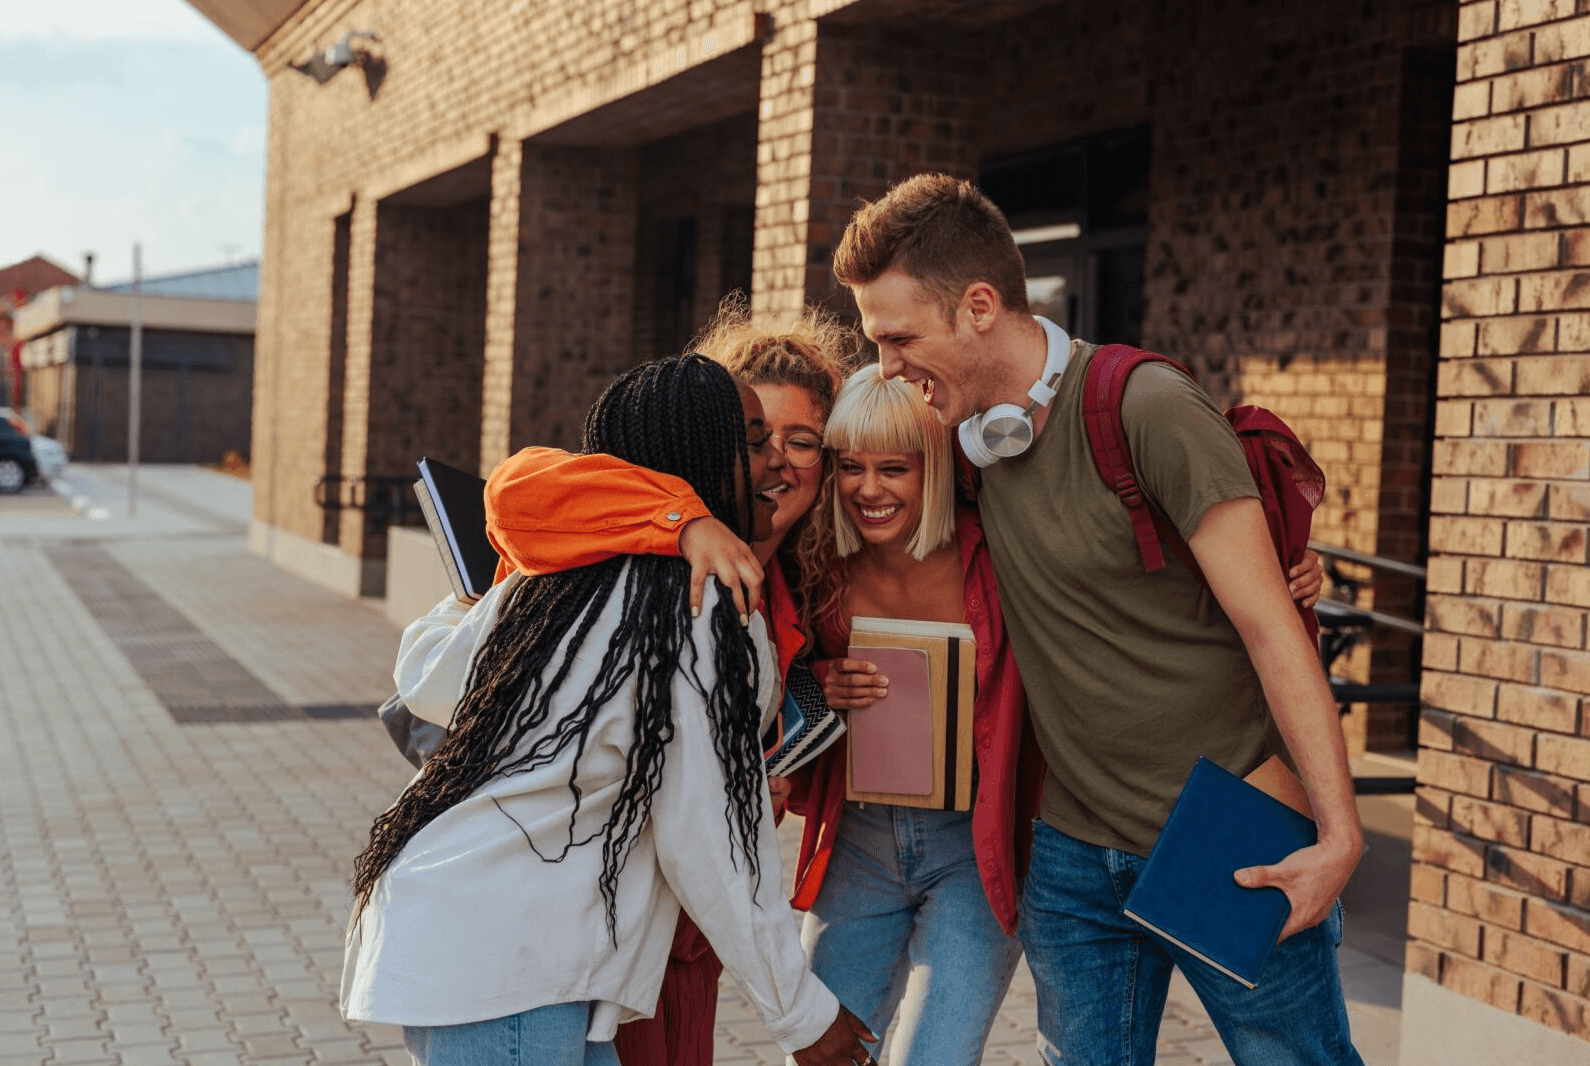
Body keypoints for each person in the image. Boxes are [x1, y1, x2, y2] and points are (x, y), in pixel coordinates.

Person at [829, 172, 1365, 1066]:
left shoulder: (1146, 407)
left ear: (979, 306)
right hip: (1072, 855)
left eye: (898, 338)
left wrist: (1341, 837)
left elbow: (1273, 629)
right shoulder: (967, 442)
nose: (886, 366)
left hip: (1224, 832)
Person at [340, 354, 873, 1066]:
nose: (772, 457)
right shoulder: (691, 601)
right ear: (699, 457)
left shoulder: (562, 578)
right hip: (512, 967)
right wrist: (804, 1019)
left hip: (485, 946)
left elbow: (429, 674)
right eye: (750, 439)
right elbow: (712, 838)